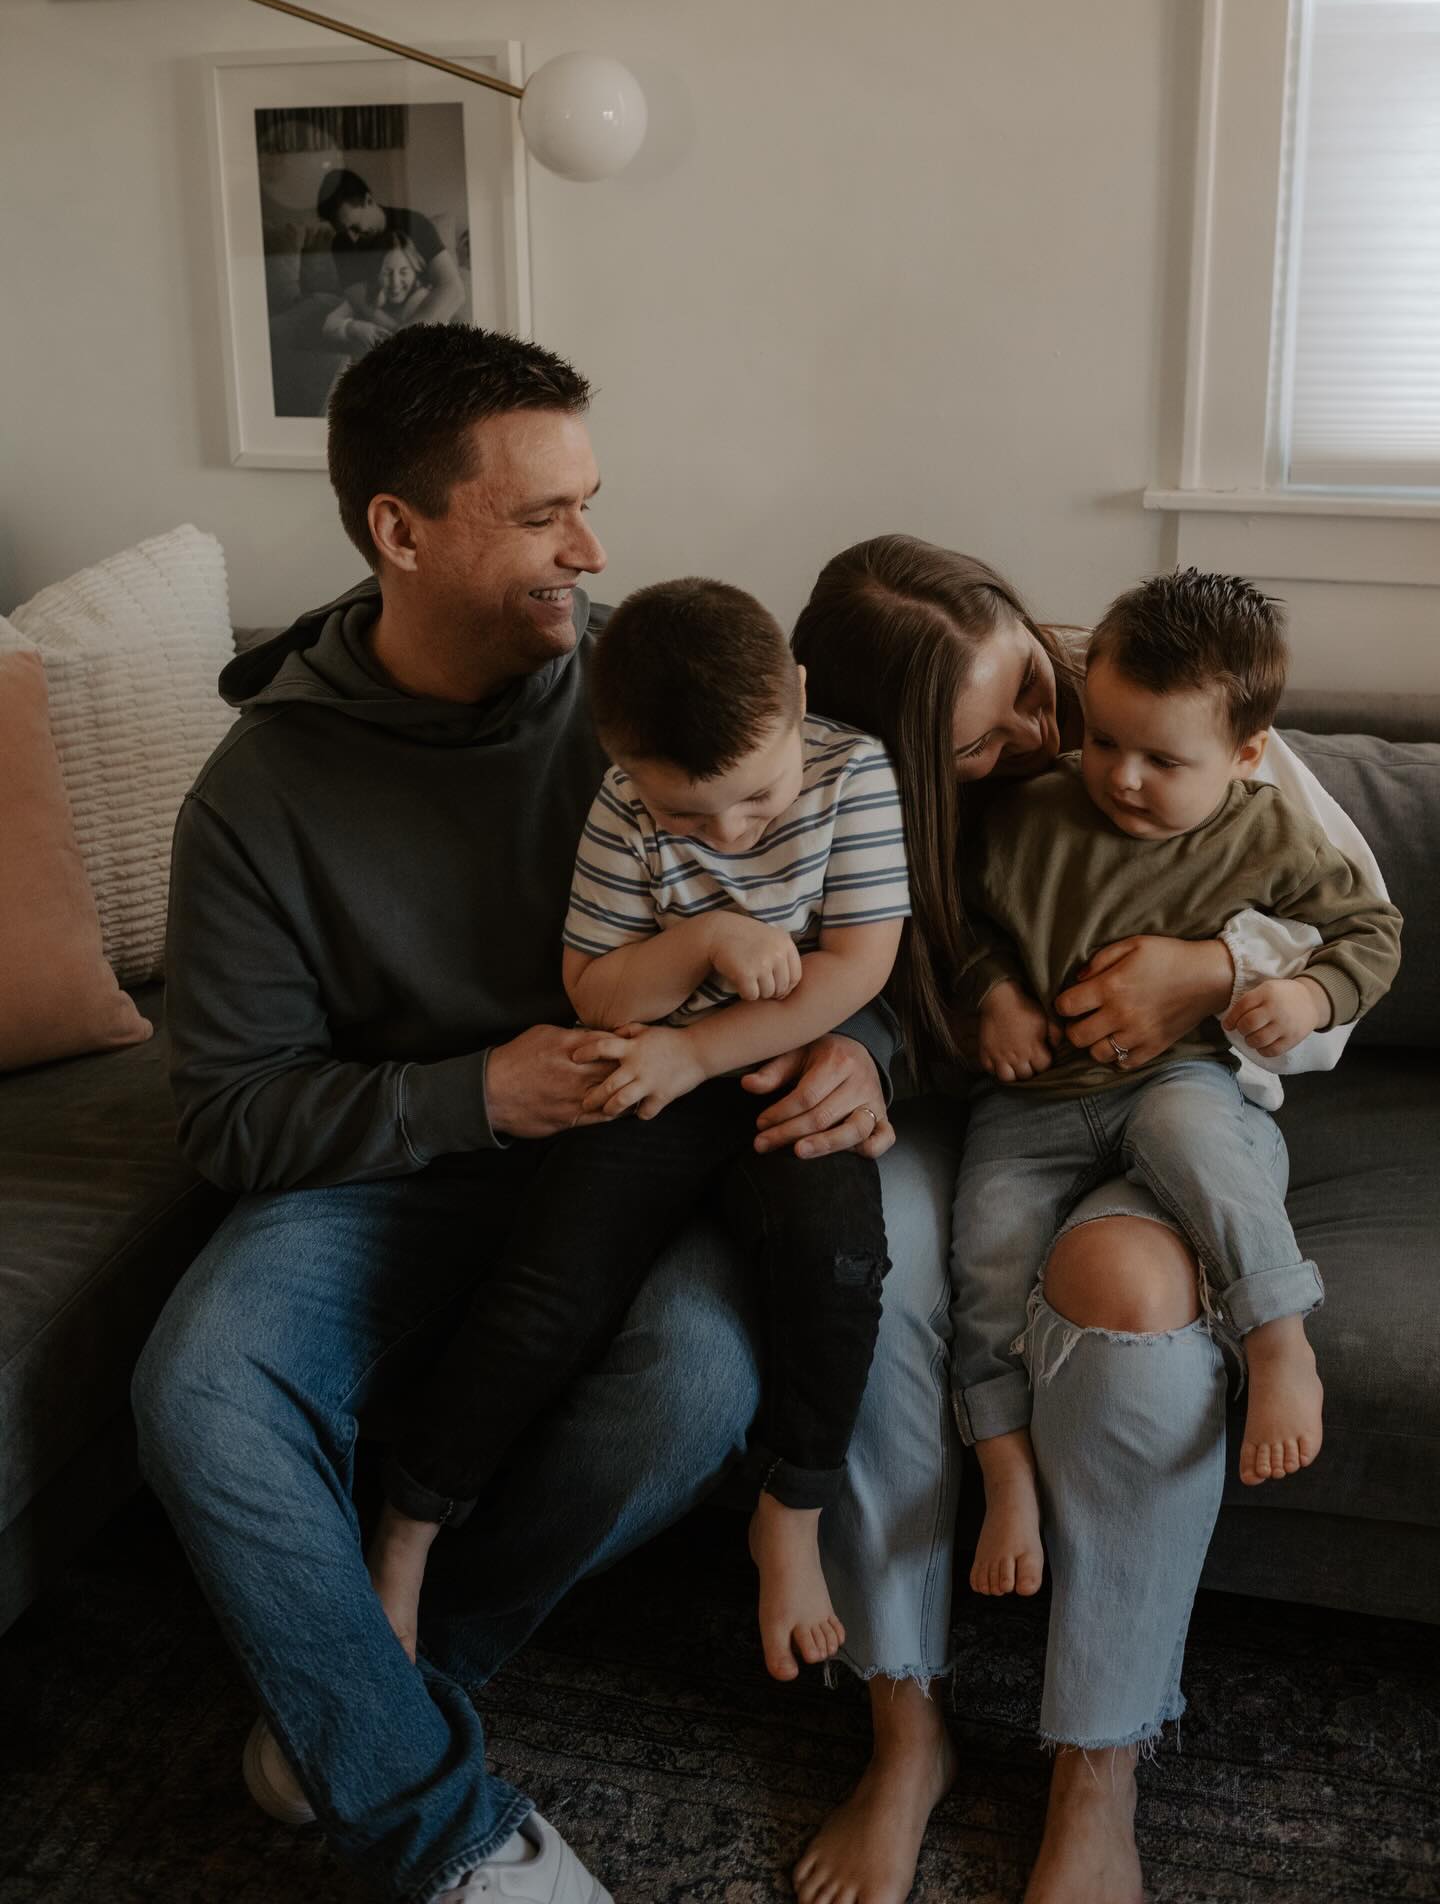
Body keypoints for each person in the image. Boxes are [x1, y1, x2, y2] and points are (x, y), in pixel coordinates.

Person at [131, 325, 897, 1904]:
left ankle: (367, 1690)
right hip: (403, 1169)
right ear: (399, 532)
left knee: (694, 1372)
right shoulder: (260, 797)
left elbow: (835, 908)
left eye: (590, 503)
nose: (593, 550)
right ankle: (443, 1831)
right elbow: (228, 1115)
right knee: (200, 1381)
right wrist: (474, 1090)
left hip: (650, 1149)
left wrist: (867, 1044)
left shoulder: (649, 702)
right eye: (545, 517)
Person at [785, 535, 1391, 1904]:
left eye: (1027, 686)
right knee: (868, 1259)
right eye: (981, 739)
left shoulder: (1164, 711)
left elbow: (1351, 943)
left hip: (1174, 1092)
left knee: (1123, 1286)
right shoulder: (851, 794)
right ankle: (905, 1724)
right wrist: (873, 1049)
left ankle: (1099, 1758)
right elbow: (837, 964)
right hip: (982, 1108)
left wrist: (1215, 965)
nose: (1045, 735)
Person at [366, 576, 909, 1683]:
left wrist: (703, 1048)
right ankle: (409, 1528)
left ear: (799, 698)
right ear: (622, 760)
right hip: (645, 1072)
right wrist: (706, 937)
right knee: (545, 1294)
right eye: (687, 816)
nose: (732, 830)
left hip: (777, 1072)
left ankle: (792, 1505)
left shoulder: (855, 772)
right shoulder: (622, 802)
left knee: (838, 1260)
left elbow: (860, 964)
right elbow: (598, 990)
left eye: (756, 799)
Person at [953, 567, 1400, 1601]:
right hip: (1027, 1103)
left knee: (1200, 1147)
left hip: (1180, 1076)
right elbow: (957, 928)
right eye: (1104, 741)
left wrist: (1311, 994)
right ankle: (1003, 1465)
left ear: (1248, 756)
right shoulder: (1028, 814)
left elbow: (1369, 932)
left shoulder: (1268, 831)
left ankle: (1278, 1338)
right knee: (984, 1250)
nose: (1123, 777)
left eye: (1165, 759)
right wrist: (991, 993)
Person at [316, 169, 465, 340]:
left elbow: (453, 288)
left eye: (355, 227)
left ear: (368, 200)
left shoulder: (414, 223)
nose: (351, 238)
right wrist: (395, 336)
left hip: (425, 322)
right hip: (388, 329)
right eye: (342, 230)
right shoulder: (341, 244)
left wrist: (409, 335)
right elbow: (362, 304)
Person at [323, 229, 436, 352]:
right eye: (386, 273)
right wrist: (353, 328)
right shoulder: (364, 293)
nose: (395, 282)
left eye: (404, 272)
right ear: (375, 273)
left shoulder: (424, 299)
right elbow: (329, 325)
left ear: (415, 272)